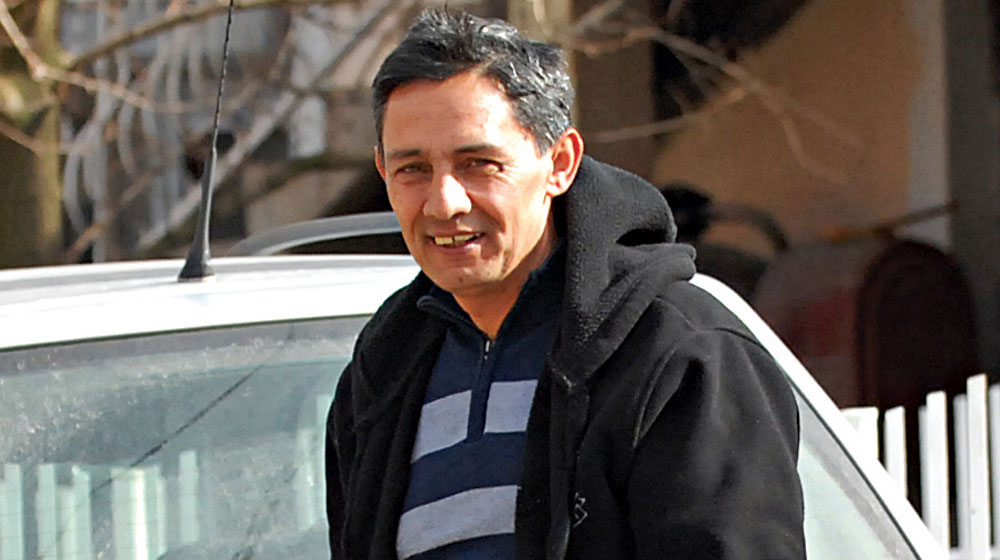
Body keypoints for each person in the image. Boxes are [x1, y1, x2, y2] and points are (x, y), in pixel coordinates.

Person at [325, 7, 804, 560]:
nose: (444, 202)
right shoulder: (382, 375)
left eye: (478, 163)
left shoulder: (679, 353)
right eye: (413, 169)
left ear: (560, 163)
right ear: (383, 172)